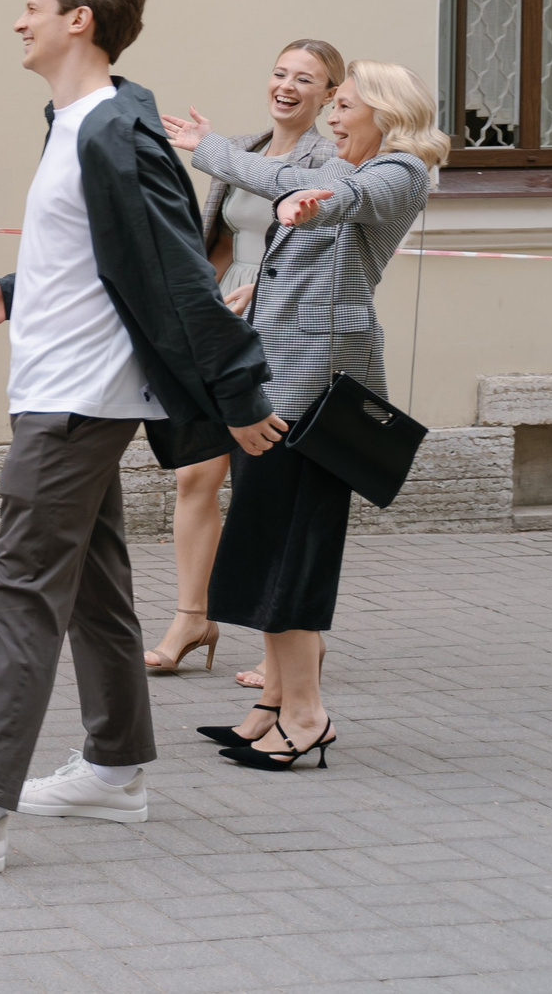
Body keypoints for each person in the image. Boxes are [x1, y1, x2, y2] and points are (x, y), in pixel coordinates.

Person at [0, 0, 289, 875]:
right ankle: (117, 768)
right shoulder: (77, 122)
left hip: (72, 402)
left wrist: (240, 393)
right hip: (63, 386)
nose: (20, 20)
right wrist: (17, 288)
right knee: (93, 590)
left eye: (32, 5)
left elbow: (176, 271)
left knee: (21, 594)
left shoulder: (113, 130)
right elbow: (104, 255)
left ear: (78, 19)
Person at [168, 61, 447, 770]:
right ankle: (273, 705)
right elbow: (303, 262)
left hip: (316, 398)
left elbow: (334, 199)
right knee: (267, 548)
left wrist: (228, 158)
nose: (333, 118)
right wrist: (248, 299)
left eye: (343, 105)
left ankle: (307, 713)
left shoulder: (400, 170)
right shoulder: (356, 167)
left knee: (292, 556)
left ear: (383, 112)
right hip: (276, 383)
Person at [145, 39, 343, 679]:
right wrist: (197, 310)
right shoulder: (244, 149)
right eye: (280, 73)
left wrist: (265, 290)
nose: (286, 86)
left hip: (286, 327)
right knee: (195, 475)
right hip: (226, 326)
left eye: (304, 79)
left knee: (267, 487)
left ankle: (285, 644)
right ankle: (192, 618)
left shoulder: (333, 159)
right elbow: (223, 242)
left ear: (329, 94)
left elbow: (329, 255)